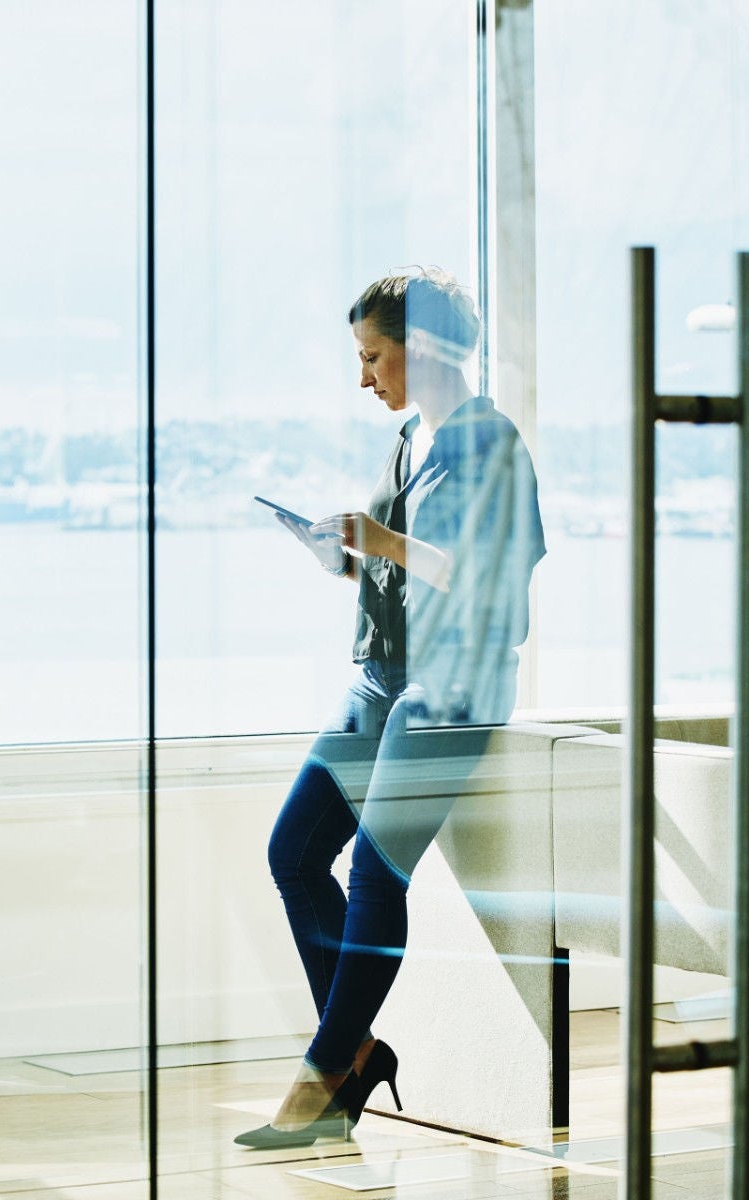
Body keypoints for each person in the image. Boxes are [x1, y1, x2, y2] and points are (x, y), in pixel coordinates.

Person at [237, 267, 545, 1149]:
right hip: (381, 676)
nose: (363, 376)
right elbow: (400, 569)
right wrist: (343, 557)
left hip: (451, 687)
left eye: (374, 356)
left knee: (375, 874)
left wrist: (379, 541)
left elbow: (478, 578)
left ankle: (323, 1074)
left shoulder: (490, 445)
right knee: (293, 853)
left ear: (428, 348)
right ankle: (359, 1049)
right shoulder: (412, 438)